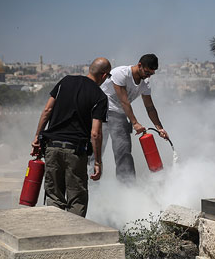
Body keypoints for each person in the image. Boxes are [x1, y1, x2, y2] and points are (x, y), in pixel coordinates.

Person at [31, 57, 111, 217]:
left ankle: (55, 236)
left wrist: (37, 137)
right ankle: (73, 238)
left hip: (51, 147)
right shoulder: (100, 97)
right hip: (75, 152)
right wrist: (97, 162)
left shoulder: (65, 81)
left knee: (54, 197)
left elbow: (47, 110)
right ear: (103, 75)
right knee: (77, 199)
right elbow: (95, 133)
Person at [99, 53, 169, 182]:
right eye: (147, 72)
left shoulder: (145, 82)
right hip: (101, 113)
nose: (148, 76)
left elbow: (150, 107)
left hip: (120, 116)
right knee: (95, 153)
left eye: (151, 74)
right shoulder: (121, 73)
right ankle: (91, 189)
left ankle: (127, 189)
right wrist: (135, 123)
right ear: (140, 65)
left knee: (124, 153)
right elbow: (124, 101)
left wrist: (160, 129)